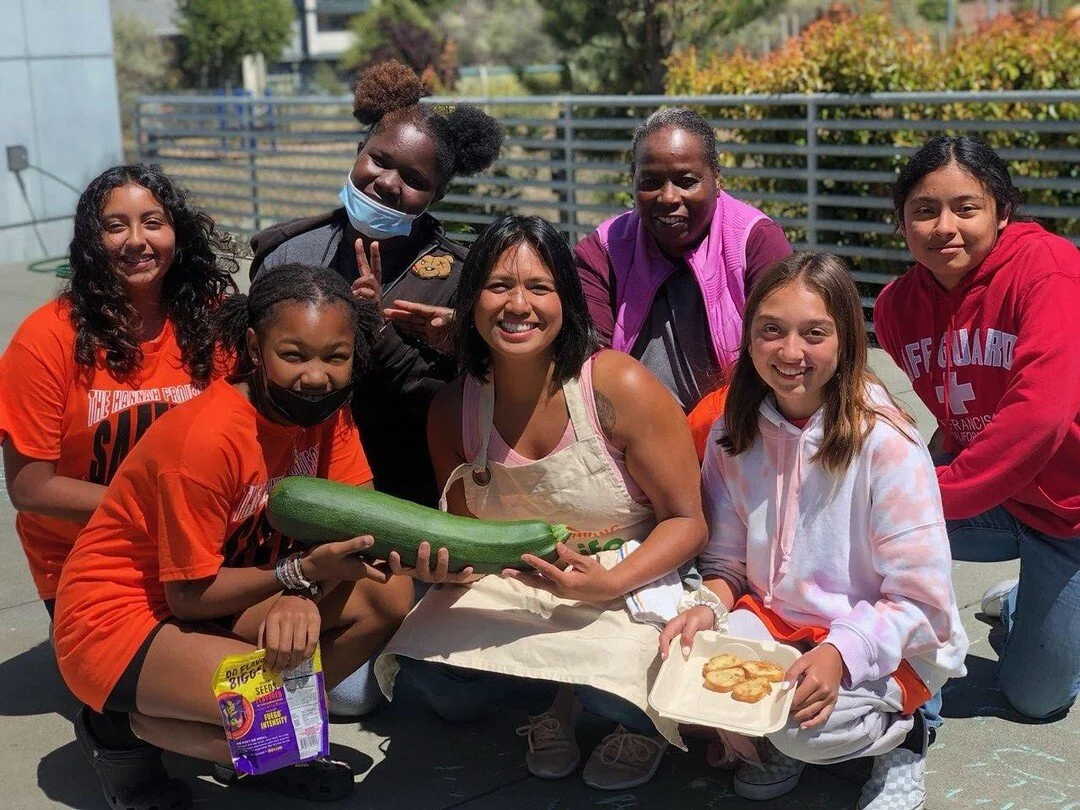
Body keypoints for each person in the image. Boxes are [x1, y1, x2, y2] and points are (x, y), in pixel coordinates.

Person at [52, 262, 415, 810]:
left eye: (335, 357)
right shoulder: (206, 440)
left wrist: (305, 591)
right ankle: (124, 728)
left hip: (225, 592)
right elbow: (187, 597)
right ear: (254, 346)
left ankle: (245, 737)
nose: (316, 377)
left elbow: (360, 533)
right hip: (121, 616)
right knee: (281, 724)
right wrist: (298, 575)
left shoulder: (329, 416)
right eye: (293, 355)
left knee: (387, 594)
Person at [374, 215, 708, 791]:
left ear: (567, 301)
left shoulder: (617, 386)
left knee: (620, 700)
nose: (518, 305)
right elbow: (465, 535)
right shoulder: (452, 410)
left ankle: (602, 707)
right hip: (513, 588)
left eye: (539, 287)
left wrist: (608, 582)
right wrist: (444, 571)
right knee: (434, 682)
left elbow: (687, 521)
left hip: (625, 585)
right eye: (498, 286)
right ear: (471, 301)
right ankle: (558, 696)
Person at [661, 252, 968, 809]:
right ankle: (783, 737)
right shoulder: (732, 431)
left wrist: (841, 652)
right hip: (778, 621)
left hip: (881, 636)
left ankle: (906, 735)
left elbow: (922, 601)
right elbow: (727, 563)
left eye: (814, 333)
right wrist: (706, 606)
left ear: (846, 340)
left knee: (802, 731)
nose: (790, 352)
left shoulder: (886, 444)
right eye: (771, 330)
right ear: (748, 336)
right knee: (681, 668)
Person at [874, 135, 1080, 721]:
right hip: (1000, 501)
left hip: (1071, 513)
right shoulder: (894, 309)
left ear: (1002, 211)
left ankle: (1024, 604)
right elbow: (948, 418)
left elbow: (1040, 417)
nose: (945, 227)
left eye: (966, 208)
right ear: (902, 221)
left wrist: (924, 495)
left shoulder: (1052, 273)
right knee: (864, 519)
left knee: (1036, 699)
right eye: (924, 210)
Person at [250, 59, 503, 508]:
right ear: (358, 150)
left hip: (407, 498)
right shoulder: (290, 255)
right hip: (288, 487)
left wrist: (380, 331)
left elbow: (456, 407)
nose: (387, 183)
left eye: (414, 179)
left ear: (437, 195)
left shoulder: (459, 279)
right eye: (379, 160)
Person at [0, 164, 237, 617]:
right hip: (88, 559)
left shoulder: (216, 323)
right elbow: (31, 489)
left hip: (202, 546)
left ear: (177, 234)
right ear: (92, 241)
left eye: (153, 222)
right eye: (115, 226)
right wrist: (161, 505)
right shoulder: (45, 339)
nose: (136, 240)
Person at [574, 107, 792, 413]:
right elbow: (592, 367)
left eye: (686, 181)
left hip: (736, 424)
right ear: (632, 180)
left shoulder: (757, 242)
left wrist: (706, 427)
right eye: (650, 182)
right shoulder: (603, 250)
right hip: (631, 425)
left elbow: (782, 356)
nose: (668, 197)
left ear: (716, 179)